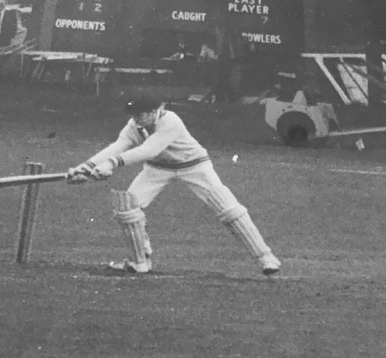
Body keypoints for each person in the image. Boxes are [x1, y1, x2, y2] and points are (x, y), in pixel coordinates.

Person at [66, 95, 281, 275]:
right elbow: (119, 145)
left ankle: (266, 258)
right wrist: (85, 167)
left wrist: (112, 164)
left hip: (194, 165)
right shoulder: (135, 125)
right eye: (133, 115)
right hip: (157, 169)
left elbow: (149, 149)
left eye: (140, 114)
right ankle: (140, 262)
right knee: (127, 206)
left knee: (228, 209)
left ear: (153, 112)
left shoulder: (171, 121)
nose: (135, 120)